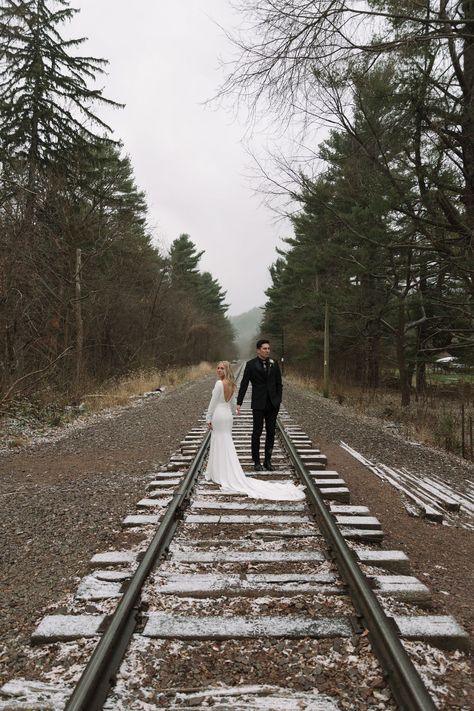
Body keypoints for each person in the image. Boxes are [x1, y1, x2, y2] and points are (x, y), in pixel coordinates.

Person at [205, 360, 305, 501]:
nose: (219, 370)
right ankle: (223, 471)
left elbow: (213, 403)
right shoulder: (232, 384)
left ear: (226, 370)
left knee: (219, 441)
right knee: (225, 441)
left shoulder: (219, 384)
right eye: (218, 368)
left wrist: (208, 417)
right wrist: (234, 411)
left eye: (222, 368)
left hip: (219, 415)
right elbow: (232, 403)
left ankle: (218, 472)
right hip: (227, 416)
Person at [236, 338, 281, 471]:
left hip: (272, 404)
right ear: (258, 350)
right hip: (258, 403)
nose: (267, 351)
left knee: (271, 432)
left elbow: (279, 383)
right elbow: (244, 384)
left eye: (268, 348)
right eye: (264, 348)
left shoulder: (274, 363)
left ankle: (268, 461)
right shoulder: (250, 365)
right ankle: (256, 462)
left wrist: (278, 400)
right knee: (257, 432)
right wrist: (239, 402)